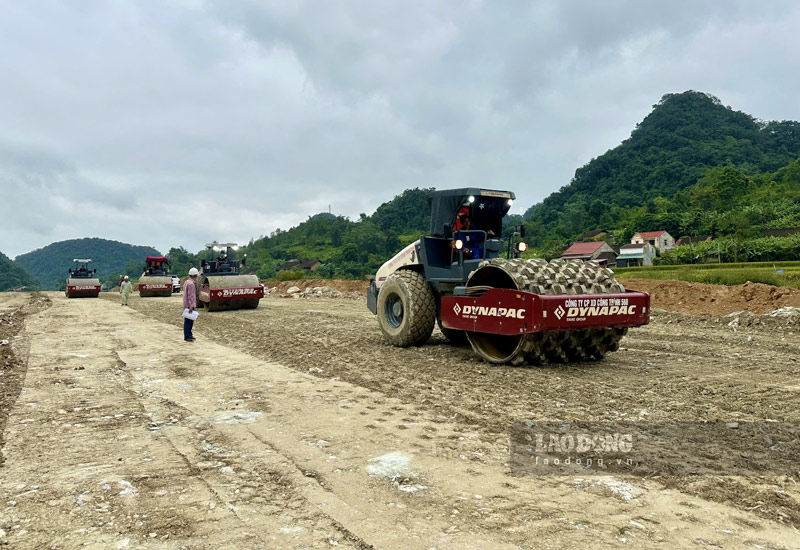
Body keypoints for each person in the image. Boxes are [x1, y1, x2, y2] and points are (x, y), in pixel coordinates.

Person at [183, 267, 199, 342]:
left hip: (186, 304)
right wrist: (191, 306)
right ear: (194, 275)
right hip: (190, 305)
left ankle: (189, 334)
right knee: (189, 321)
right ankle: (187, 336)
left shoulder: (186, 282)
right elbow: (191, 296)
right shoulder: (191, 284)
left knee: (188, 321)